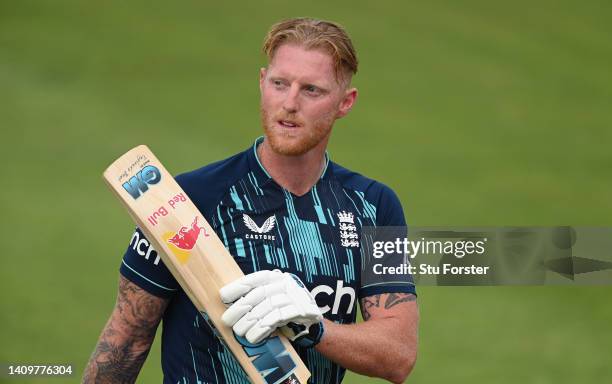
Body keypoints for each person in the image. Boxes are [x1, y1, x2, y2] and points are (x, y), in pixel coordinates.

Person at [83, 17, 418, 384]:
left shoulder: (373, 206)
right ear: (262, 83)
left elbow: (398, 354)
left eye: (311, 90)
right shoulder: (185, 202)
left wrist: (315, 328)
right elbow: (124, 343)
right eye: (279, 84)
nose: (289, 103)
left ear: (344, 102)